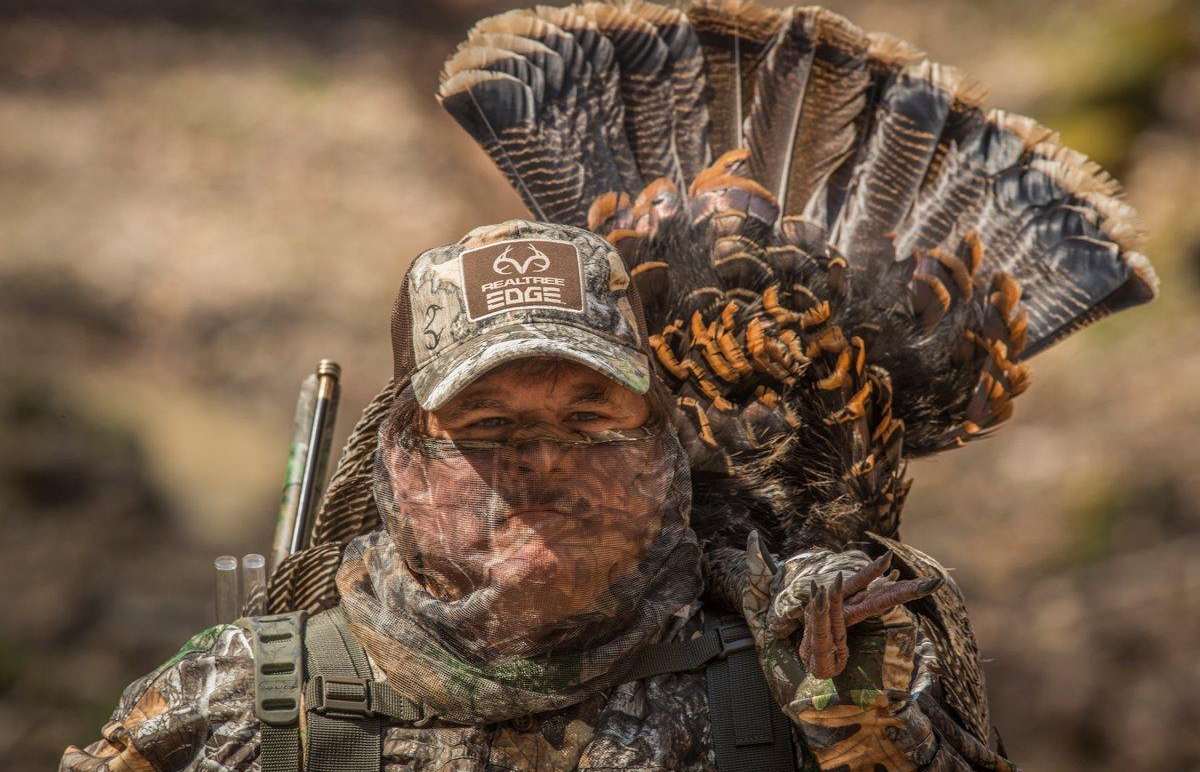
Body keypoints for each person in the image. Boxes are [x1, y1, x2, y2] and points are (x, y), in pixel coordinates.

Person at [61, 220, 1014, 772]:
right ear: (400, 457)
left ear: (662, 450)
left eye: (592, 416)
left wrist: (869, 738)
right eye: (483, 425)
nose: (542, 463)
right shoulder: (248, 697)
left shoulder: (802, 671)